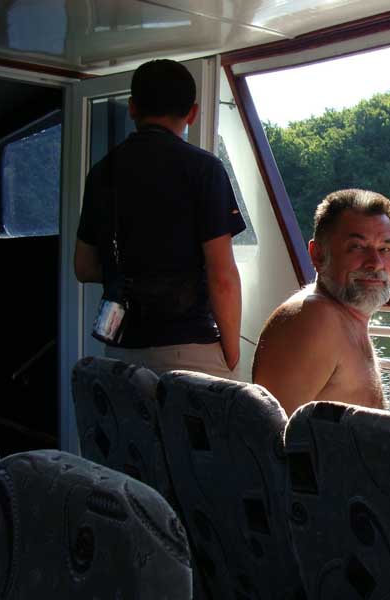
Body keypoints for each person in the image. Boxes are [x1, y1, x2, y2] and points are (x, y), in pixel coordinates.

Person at [74, 59, 245, 379]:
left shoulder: (101, 173)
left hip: (121, 347)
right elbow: (222, 276)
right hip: (188, 347)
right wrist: (231, 354)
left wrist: (132, 273)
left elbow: (83, 267)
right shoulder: (204, 169)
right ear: (193, 113)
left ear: (132, 108)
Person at [252, 189, 390, 415]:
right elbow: (271, 431)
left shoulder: (344, 318)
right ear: (318, 255)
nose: (376, 263)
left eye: (385, 249)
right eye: (357, 247)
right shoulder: (315, 319)